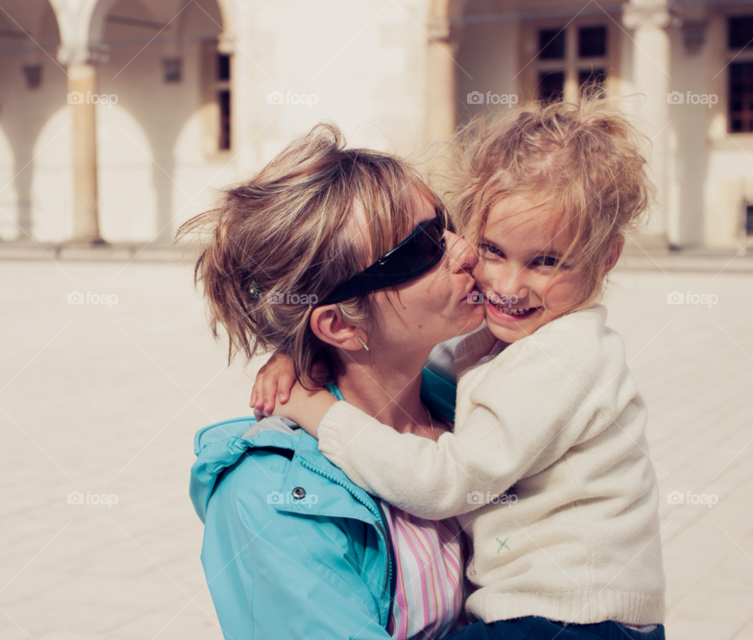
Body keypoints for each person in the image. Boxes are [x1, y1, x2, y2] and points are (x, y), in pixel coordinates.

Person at [252, 100, 666, 639]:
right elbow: (422, 363)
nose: (508, 285)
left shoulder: (563, 356)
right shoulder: (511, 338)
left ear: (605, 258)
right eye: (493, 249)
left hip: (572, 618)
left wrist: (319, 411)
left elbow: (447, 482)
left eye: (546, 261)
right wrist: (301, 348)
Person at [181, 123, 484, 639]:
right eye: (422, 248)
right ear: (340, 324)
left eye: (446, 224)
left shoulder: (472, 399)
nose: (465, 249)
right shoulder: (268, 500)